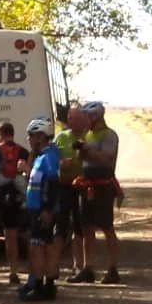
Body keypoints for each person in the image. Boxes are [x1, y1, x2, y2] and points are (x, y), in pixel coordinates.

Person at [75, 101, 122, 285]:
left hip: (103, 185)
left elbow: (106, 157)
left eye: (87, 116)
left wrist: (87, 149)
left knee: (107, 227)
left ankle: (113, 269)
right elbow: (85, 158)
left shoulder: (109, 135)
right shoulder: (88, 134)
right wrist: (80, 152)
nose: (84, 120)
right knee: (86, 227)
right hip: (87, 185)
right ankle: (88, 268)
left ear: (95, 116)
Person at [18, 118, 62, 302]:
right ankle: (46, 286)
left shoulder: (48, 156)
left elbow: (52, 183)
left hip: (42, 209)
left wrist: (47, 209)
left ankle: (40, 285)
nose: (28, 139)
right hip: (37, 207)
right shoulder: (42, 155)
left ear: (41, 136)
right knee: (45, 246)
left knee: (38, 247)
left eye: (31, 135)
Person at [0, 121, 30, 285]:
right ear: (13, 134)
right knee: (13, 235)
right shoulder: (22, 150)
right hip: (16, 197)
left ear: (0, 133)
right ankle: (14, 271)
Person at [54, 103, 88, 280]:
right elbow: (50, 159)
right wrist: (60, 163)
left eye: (76, 118)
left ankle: (79, 265)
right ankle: (53, 265)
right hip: (63, 186)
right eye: (70, 118)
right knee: (59, 227)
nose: (73, 122)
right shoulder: (60, 138)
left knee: (79, 227)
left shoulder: (88, 137)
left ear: (84, 119)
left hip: (82, 187)